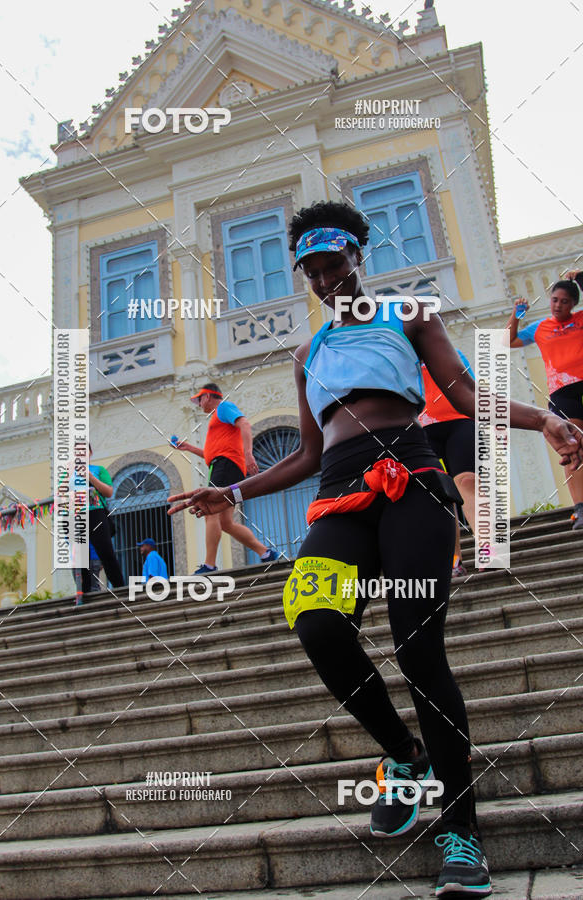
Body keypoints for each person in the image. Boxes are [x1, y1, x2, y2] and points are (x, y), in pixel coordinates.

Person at [168, 202, 583, 896]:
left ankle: (460, 832)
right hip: (337, 492)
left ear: (358, 255)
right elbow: (304, 452)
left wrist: (544, 416)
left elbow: (462, 392)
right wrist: (233, 494)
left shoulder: (410, 316)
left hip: (412, 479)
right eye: (311, 269)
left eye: (333, 262)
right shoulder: (308, 352)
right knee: (315, 616)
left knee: (419, 649)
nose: (324, 278)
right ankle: (405, 755)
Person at [173, 383, 280, 573]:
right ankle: (266, 553)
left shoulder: (223, 407)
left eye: (199, 399)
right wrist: (188, 447)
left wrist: (249, 454)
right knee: (226, 522)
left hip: (225, 466)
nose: (198, 404)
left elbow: (244, 424)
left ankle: (209, 565)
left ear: (207, 396)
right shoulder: (217, 418)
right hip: (225, 465)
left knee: (210, 512)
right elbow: (211, 454)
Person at [507, 271, 583, 528]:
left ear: (573, 303)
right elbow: (510, 340)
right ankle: (580, 508)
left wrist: (580, 277)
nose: (558, 305)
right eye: (554, 300)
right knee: (573, 448)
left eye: (564, 301)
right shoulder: (541, 327)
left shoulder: (582, 319)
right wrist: (517, 314)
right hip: (563, 393)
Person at [419, 351, 476, 577]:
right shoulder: (402, 356)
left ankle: (488, 547)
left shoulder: (455, 354)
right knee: (441, 494)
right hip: (422, 429)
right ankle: (454, 559)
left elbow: (472, 387)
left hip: (459, 422)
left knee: (468, 482)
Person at [80, 444, 125, 597]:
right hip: (76, 516)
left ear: (90, 452)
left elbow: (108, 492)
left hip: (96, 513)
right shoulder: (67, 474)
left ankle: (120, 589)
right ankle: (85, 592)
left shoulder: (98, 470)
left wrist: (90, 477)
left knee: (106, 552)